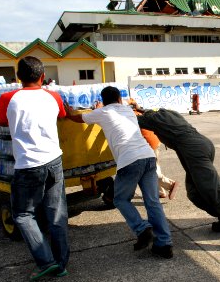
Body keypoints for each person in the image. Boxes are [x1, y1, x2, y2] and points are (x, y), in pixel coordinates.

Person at [131, 106, 220, 250]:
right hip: (203, 144)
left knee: (215, 192)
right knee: (195, 193)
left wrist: (119, 108)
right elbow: (147, 112)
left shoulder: (151, 119)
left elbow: (131, 120)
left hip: (194, 152)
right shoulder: (166, 113)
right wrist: (138, 108)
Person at [64, 86, 173, 258]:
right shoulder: (127, 110)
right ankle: (164, 244)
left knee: (120, 199)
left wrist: (69, 111)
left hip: (130, 161)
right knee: (152, 202)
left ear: (104, 101)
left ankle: (142, 228)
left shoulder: (102, 112)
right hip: (148, 156)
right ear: (120, 100)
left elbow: (76, 118)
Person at [0, 56, 70, 282]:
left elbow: (1, 121)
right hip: (54, 160)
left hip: (28, 165)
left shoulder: (8, 97)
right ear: (43, 77)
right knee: (57, 215)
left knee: (24, 215)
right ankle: (61, 263)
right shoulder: (53, 96)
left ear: (18, 77)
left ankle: (46, 261)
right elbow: (62, 115)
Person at [128, 98, 178, 199]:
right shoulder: (141, 111)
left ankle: (170, 184)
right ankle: (160, 191)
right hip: (155, 142)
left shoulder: (131, 115)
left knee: (150, 170)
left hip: (148, 145)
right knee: (155, 166)